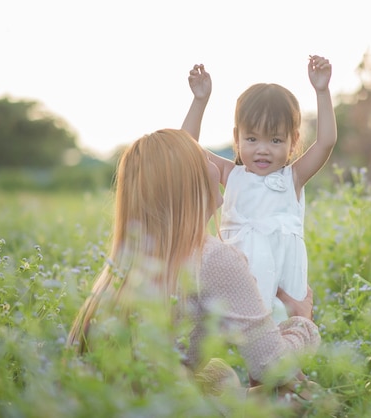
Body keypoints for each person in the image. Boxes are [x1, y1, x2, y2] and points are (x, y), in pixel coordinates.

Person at [66, 129, 321, 412]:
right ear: (190, 181)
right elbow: (270, 367)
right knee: (304, 398)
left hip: (113, 403)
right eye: (203, 159)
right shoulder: (213, 257)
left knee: (218, 375)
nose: (215, 165)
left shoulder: (126, 262)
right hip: (160, 407)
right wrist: (302, 323)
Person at [182, 55, 337, 323]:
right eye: (252, 138)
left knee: (284, 340)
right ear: (236, 138)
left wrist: (321, 91)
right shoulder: (232, 175)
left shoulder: (293, 178)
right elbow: (185, 145)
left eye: (275, 139)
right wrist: (199, 101)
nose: (262, 148)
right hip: (239, 283)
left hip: (283, 286)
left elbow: (325, 142)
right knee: (235, 338)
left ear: (293, 141)